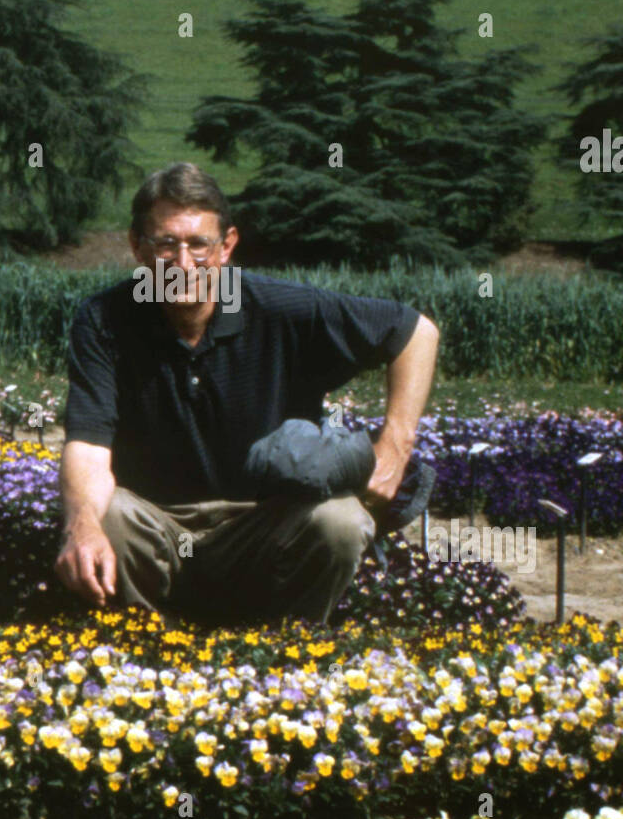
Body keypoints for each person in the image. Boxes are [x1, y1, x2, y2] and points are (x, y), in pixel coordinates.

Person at [55, 162, 439, 626]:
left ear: (226, 246)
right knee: (105, 516)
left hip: (263, 523)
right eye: (165, 244)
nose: (182, 264)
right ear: (137, 246)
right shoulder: (105, 319)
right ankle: (145, 646)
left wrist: (394, 447)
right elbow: (89, 446)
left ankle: (290, 647)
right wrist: (82, 527)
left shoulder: (278, 308)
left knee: (340, 521)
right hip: (156, 520)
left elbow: (414, 331)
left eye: (199, 244)